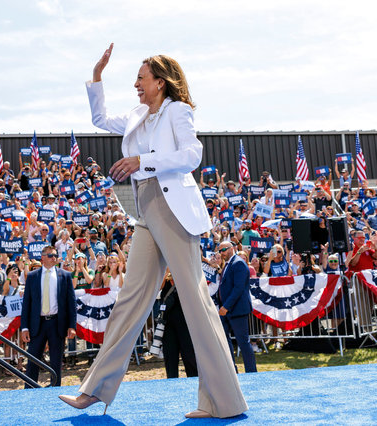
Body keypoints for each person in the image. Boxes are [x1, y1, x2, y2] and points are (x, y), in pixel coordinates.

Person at [59, 44, 248, 419]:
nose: (136, 85)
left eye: (141, 79)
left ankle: (222, 401)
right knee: (130, 299)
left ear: (160, 82)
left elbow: (191, 155)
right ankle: (94, 390)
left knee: (195, 301)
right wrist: (97, 76)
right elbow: (99, 118)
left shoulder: (178, 111)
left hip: (173, 209)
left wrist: (141, 161)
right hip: (146, 210)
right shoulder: (137, 114)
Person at [20, 245, 76, 387]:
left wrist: (72, 326)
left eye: (55, 255)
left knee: (56, 360)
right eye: (50, 255)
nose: (54, 258)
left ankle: (55, 388)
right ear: (43, 257)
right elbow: (27, 303)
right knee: (33, 359)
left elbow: (71, 303)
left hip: (57, 323)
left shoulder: (65, 275)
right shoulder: (32, 276)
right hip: (37, 323)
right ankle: (29, 388)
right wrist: (24, 327)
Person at [216, 242, 257, 374]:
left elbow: (238, 289)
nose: (221, 252)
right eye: (220, 250)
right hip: (226, 310)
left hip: (236, 310)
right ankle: (232, 371)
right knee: (225, 342)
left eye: (224, 249)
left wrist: (226, 307)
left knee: (243, 343)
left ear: (232, 248)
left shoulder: (238, 263)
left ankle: (251, 372)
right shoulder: (228, 264)